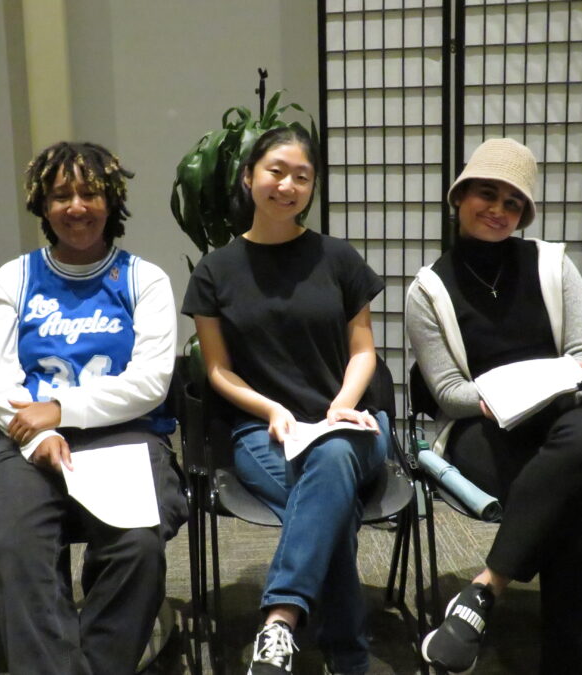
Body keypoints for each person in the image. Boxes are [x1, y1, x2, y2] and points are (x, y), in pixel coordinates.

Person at [0, 142, 187, 675]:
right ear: (42, 205)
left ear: (112, 201)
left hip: (125, 437)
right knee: (17, 543)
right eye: (61, 195)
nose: (76, 206)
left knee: (137, 548)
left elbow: (151, 382)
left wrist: (60, 409)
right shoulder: (14, 278)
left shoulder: (144, 279)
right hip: (25, 438)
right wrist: (38, 435)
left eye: (89, 192)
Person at [406, 138, 582, 673]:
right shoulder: (428, 291)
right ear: (459, 198)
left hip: (563, 421)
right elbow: (450, 394)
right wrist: (504, 394)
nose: (498, 211)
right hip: (483, 431)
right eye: (486, 194)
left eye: (513, 203)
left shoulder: (553, 265)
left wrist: (566, 378)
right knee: (571, 497)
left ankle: (485, 589)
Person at [182, 125, 388, 675]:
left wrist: (341, 405)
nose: (288, 185)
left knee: (336, 454)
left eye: (302, 176)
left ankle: (279, 621)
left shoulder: (338, 258)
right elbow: (218, 370)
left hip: (350, 422)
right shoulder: (215, 271)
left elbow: (364, 350)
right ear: (249, 177)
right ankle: (350, 659)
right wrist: (271, 409)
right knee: (331, 506)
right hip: (262, 432)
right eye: (276, 171)